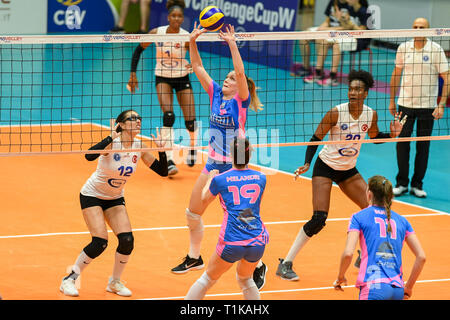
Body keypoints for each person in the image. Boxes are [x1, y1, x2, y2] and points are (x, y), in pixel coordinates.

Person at [276, 70, 406, 280]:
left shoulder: (370, 114)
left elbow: (374, 137)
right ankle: (286, 263)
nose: (352, 92)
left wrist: (392, 135)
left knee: (374, 210)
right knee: (319, 218)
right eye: (350, 89)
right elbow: (314, 138)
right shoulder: (336, 113)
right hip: (325, 166)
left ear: (365, 93)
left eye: (358, 89)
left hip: (348, 170)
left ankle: (363, 254)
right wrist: (307, 163)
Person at [171, 23, 266, 287]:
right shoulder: (215, 94)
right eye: (226, 77)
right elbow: (199, 68)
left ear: (241, 86)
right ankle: (194, 257)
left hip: (235, 168)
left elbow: (240, 70)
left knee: (243, 217)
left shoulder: (240, 102)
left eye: (232, 78)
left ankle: (257, 263)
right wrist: (192, 42)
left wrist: (232, 43)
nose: (228, 79)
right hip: (213, 163)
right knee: (193, 212)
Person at [59, 110, 168, 297]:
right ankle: (70, 279)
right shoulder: (112, 144)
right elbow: (89, 156)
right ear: (122, 125)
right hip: (92, 195)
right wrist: (110, 137)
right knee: (99, 242)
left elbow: (163, 171)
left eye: (138, 118)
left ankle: (114, 282)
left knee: (127, 241)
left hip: (115, 198)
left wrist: (162, 150)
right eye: (132, 118)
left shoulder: (139, 147)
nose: (137, 121)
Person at [185, 137, 268, 300]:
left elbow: (203, 198)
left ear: (230, 156)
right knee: (246, 279)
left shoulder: (220, 179)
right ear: (249, 156)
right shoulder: (261, 178)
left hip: (231, 241)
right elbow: (251, 208)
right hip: (257, 240)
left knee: (208, 278)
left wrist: (210, 178)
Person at [127, 0, 196, 176]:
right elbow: (138, 50)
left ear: (182, 18)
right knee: (169, 115)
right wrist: (133, 73)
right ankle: (170, 159)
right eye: (173, 15)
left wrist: (192, 66)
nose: (176, 18)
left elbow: (195, 59)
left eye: (179, 16)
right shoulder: (156, 33)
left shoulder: (186, 36)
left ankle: (193, 148)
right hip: (163, 78)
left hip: (182, 78)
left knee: (191, 122)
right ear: (168, 17)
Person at [333, 175, 426, 300]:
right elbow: (421, 257)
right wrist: (408, 287)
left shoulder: (358, 217)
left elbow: (348, 253)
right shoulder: (402, 221)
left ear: (369, 194)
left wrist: (340, 276)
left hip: (374, 287)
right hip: (397, 289)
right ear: (390, 196)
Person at [389, 17, 448, 198]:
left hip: (427, 107)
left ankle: (417, 184)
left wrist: (441, 104)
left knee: (423, 145)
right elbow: (395, 74)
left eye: (422, 27)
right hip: (405, 104)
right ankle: (401, 183)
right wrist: (392, 100)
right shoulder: (403, 48)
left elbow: (447, 77)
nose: (418, 29)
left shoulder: (436, 50)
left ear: (429, 30)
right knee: (402, 144)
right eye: (415, 26)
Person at [303, 0, 371, 86]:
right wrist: (340, 19)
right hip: (350, 35)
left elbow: (361, 32)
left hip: (361, 40)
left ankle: (333, 77)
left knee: (336, 43)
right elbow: (347, 27)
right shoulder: (349, 8)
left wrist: (350, 25)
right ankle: (318, 73)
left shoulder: (365, 11)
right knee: (324, 41)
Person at [291, 0, 350, 79]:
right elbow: (328, 20)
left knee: (319, 39)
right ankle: (306, 68)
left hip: (340, 32)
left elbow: (347, 27)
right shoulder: (333, 2)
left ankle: (319, 71)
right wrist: (321, 27)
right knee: (304, 36)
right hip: (329, 29)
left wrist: (327, 28)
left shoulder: (350, 4)